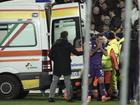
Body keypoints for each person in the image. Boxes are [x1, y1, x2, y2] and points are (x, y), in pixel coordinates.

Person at [48, 31, 83, 102]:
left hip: (57, 65)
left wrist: (55, 60)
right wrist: (84, 52)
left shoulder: (55, 44)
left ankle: (51, 97)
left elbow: (50, 55)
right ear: (66, 36)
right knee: (67, 82)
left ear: (60, 36)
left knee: (54, 81)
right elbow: (76, 53)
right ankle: (69, 98)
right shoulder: (67, 44)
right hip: (66, 65)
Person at [87, 33, 110, 102]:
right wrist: (97, 48)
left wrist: (101, 48)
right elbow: (90, 54)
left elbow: (106, 54)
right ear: (96, 39)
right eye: (100, 39)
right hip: (91, 66)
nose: (101, 40)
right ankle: (89, 96)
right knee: (89, 82)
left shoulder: (103, 45)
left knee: (101, 80)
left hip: (99, 66)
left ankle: (103, 96)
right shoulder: (91, 44)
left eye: (102, 39)